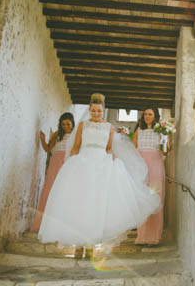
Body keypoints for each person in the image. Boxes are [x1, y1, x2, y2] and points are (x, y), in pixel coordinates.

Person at [38, 93, 160, 254]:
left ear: (103, 111)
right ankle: (78, 247)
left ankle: (90, 246)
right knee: (81, 203)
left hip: (101, 166)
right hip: (83, 163)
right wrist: (70, 164)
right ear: (89, 109)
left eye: (99, 111)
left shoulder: (108, 127)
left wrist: (113, 159)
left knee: (97, 205)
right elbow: (76, 146)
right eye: (94, 111)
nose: (96, 114)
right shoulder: (82, 125)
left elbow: (109, 148)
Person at [30, 112, 75, 232]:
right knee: (50, 188)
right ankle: (43, 223)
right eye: (63, 124)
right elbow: (47, 149)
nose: (66, 127)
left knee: (64, 190)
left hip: (68, 162)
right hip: (55, 162)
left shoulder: (77, 135)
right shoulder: (57, 134)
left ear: (72, 123)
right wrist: (43, 140)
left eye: (68, 124)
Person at [131, 107, 166, 245]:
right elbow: (132, 150)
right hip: (141, 167)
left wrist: (167, 138)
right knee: (141, 199)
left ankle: (154, 236)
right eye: (145, 114)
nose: (147, 116)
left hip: (156, 166)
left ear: (155, 116)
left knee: (155, 196)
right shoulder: (138, 131)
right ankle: (142, 235)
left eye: (150, 114)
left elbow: (165, 150)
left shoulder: (161, 131)